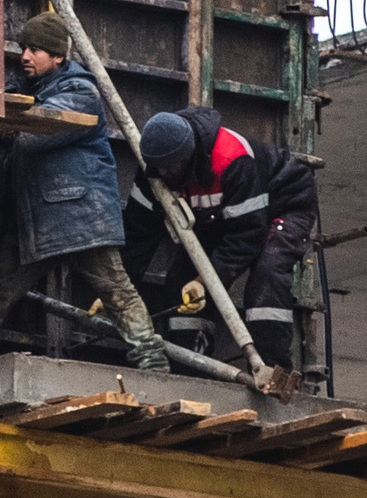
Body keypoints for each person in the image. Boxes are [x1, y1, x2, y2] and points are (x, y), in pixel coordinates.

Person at [0, 13, 170, 371]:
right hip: (34, 220)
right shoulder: (34, 91)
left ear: (58, 56)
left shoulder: (80, 92)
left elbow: (36, 130)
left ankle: (152, 363)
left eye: (35, 49)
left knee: (115, 290)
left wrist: (5, 119)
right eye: (23, 48)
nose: (26, 56)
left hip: (79, 217)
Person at [124, 105, 320, 366]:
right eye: (157, 169)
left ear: (188, 157)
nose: (164, 176)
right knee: (180, 280)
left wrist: (203, 282)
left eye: (170, 169)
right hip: (222, 216)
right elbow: (139, 233)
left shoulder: (232, 159)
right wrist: (119, 293)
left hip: (283, 203)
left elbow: (248, 236)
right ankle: (194, 369)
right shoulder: (155, 170)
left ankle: (273, 370)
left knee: (267, 274)